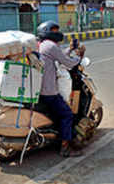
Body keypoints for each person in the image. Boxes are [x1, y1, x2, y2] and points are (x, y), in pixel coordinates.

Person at [36, 20, 86, 157]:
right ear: (47, 32)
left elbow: (58, 56)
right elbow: (68, 63)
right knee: (67, 114)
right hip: (49, 91)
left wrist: (69, 49)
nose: (58, 33)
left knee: (59, 113)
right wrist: (79, 58)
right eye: (54, 31)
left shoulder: (41, 45)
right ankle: (65, 148)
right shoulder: (51, 46)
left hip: (38, 90)